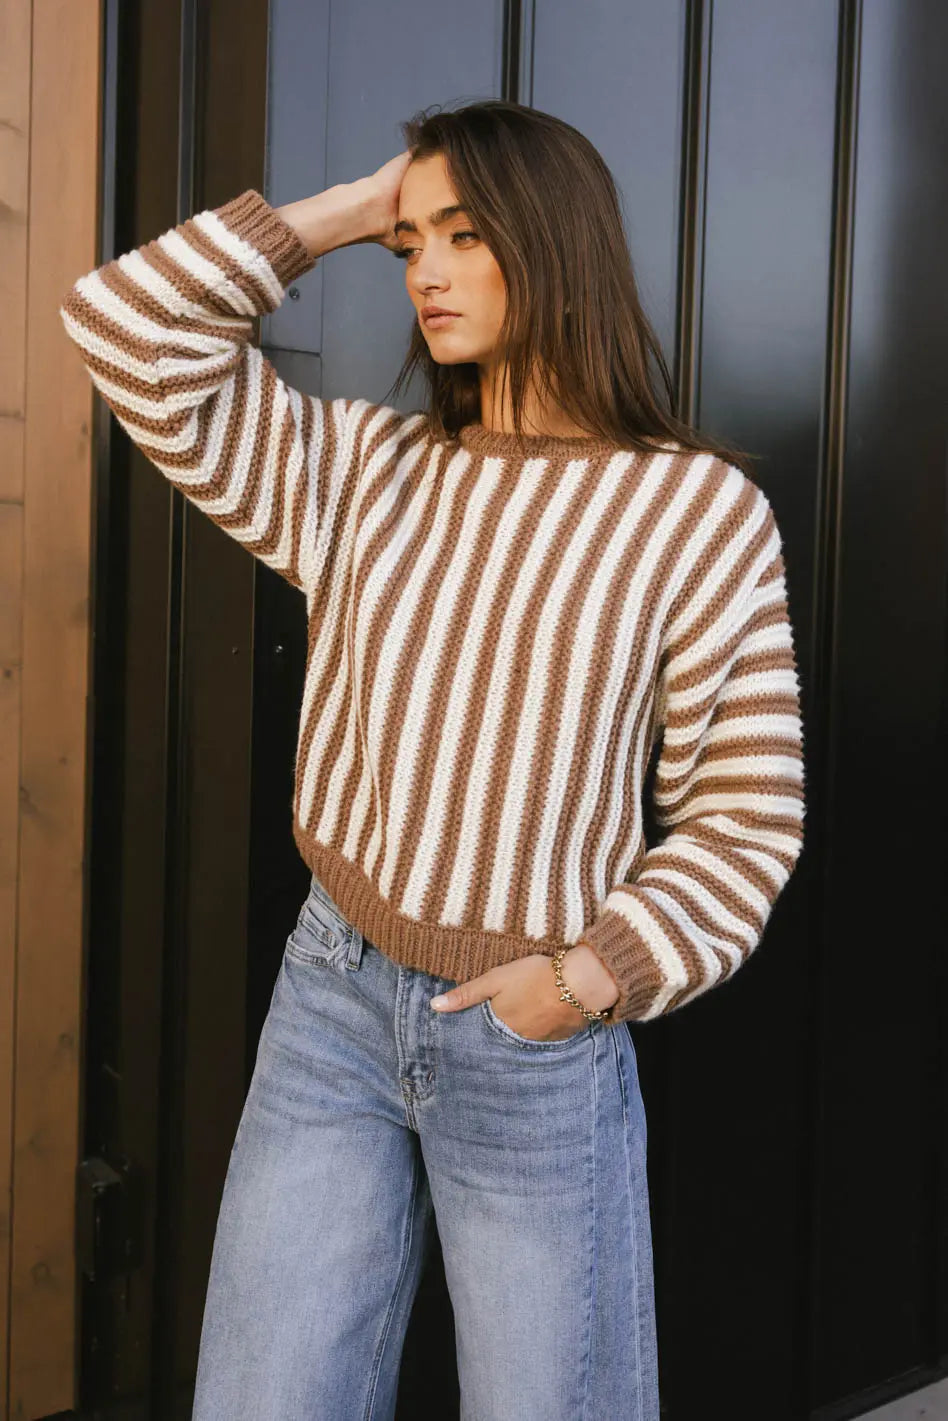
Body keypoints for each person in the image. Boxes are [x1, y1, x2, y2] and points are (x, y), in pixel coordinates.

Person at [60, 98, 806, 1421]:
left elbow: (746, 815)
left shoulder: (695, 511)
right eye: (411, 245)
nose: (426, 273)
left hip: (531, 1034)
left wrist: (584, 981)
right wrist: (351, 207)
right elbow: (122, 326)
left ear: (556, 241)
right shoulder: (364, 470)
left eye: (466, 234)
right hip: (332, 994)